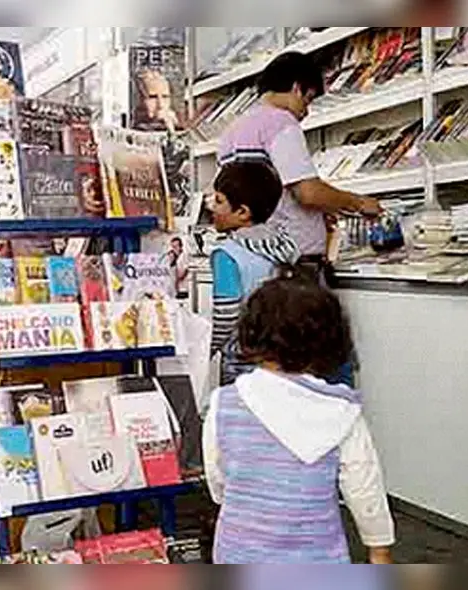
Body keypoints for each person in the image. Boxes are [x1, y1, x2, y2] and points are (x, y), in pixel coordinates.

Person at [202, 273, 395, 564]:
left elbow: (217, 479)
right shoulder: (340, 412)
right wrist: (379, 549)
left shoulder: (224, 403)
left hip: (239, 552)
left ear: (251, 334)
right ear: (331, 341)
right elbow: (365, 488)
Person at [217, 51, 383, 277]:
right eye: (308, 99)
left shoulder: (232, 130)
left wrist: (324, 208)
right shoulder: (280, 122)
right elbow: (308, 193)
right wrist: (359, 203)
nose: (306, 111)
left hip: (253, 252)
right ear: (297, 88)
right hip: (292, 257)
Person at [209, 161, 300, 386]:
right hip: (285, 355)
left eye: (219, 201)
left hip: (243, 357)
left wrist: (207, 350)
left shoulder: (227, 254)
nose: (212, 207)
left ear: (242, 212)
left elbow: (226, 315)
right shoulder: (287, 248)